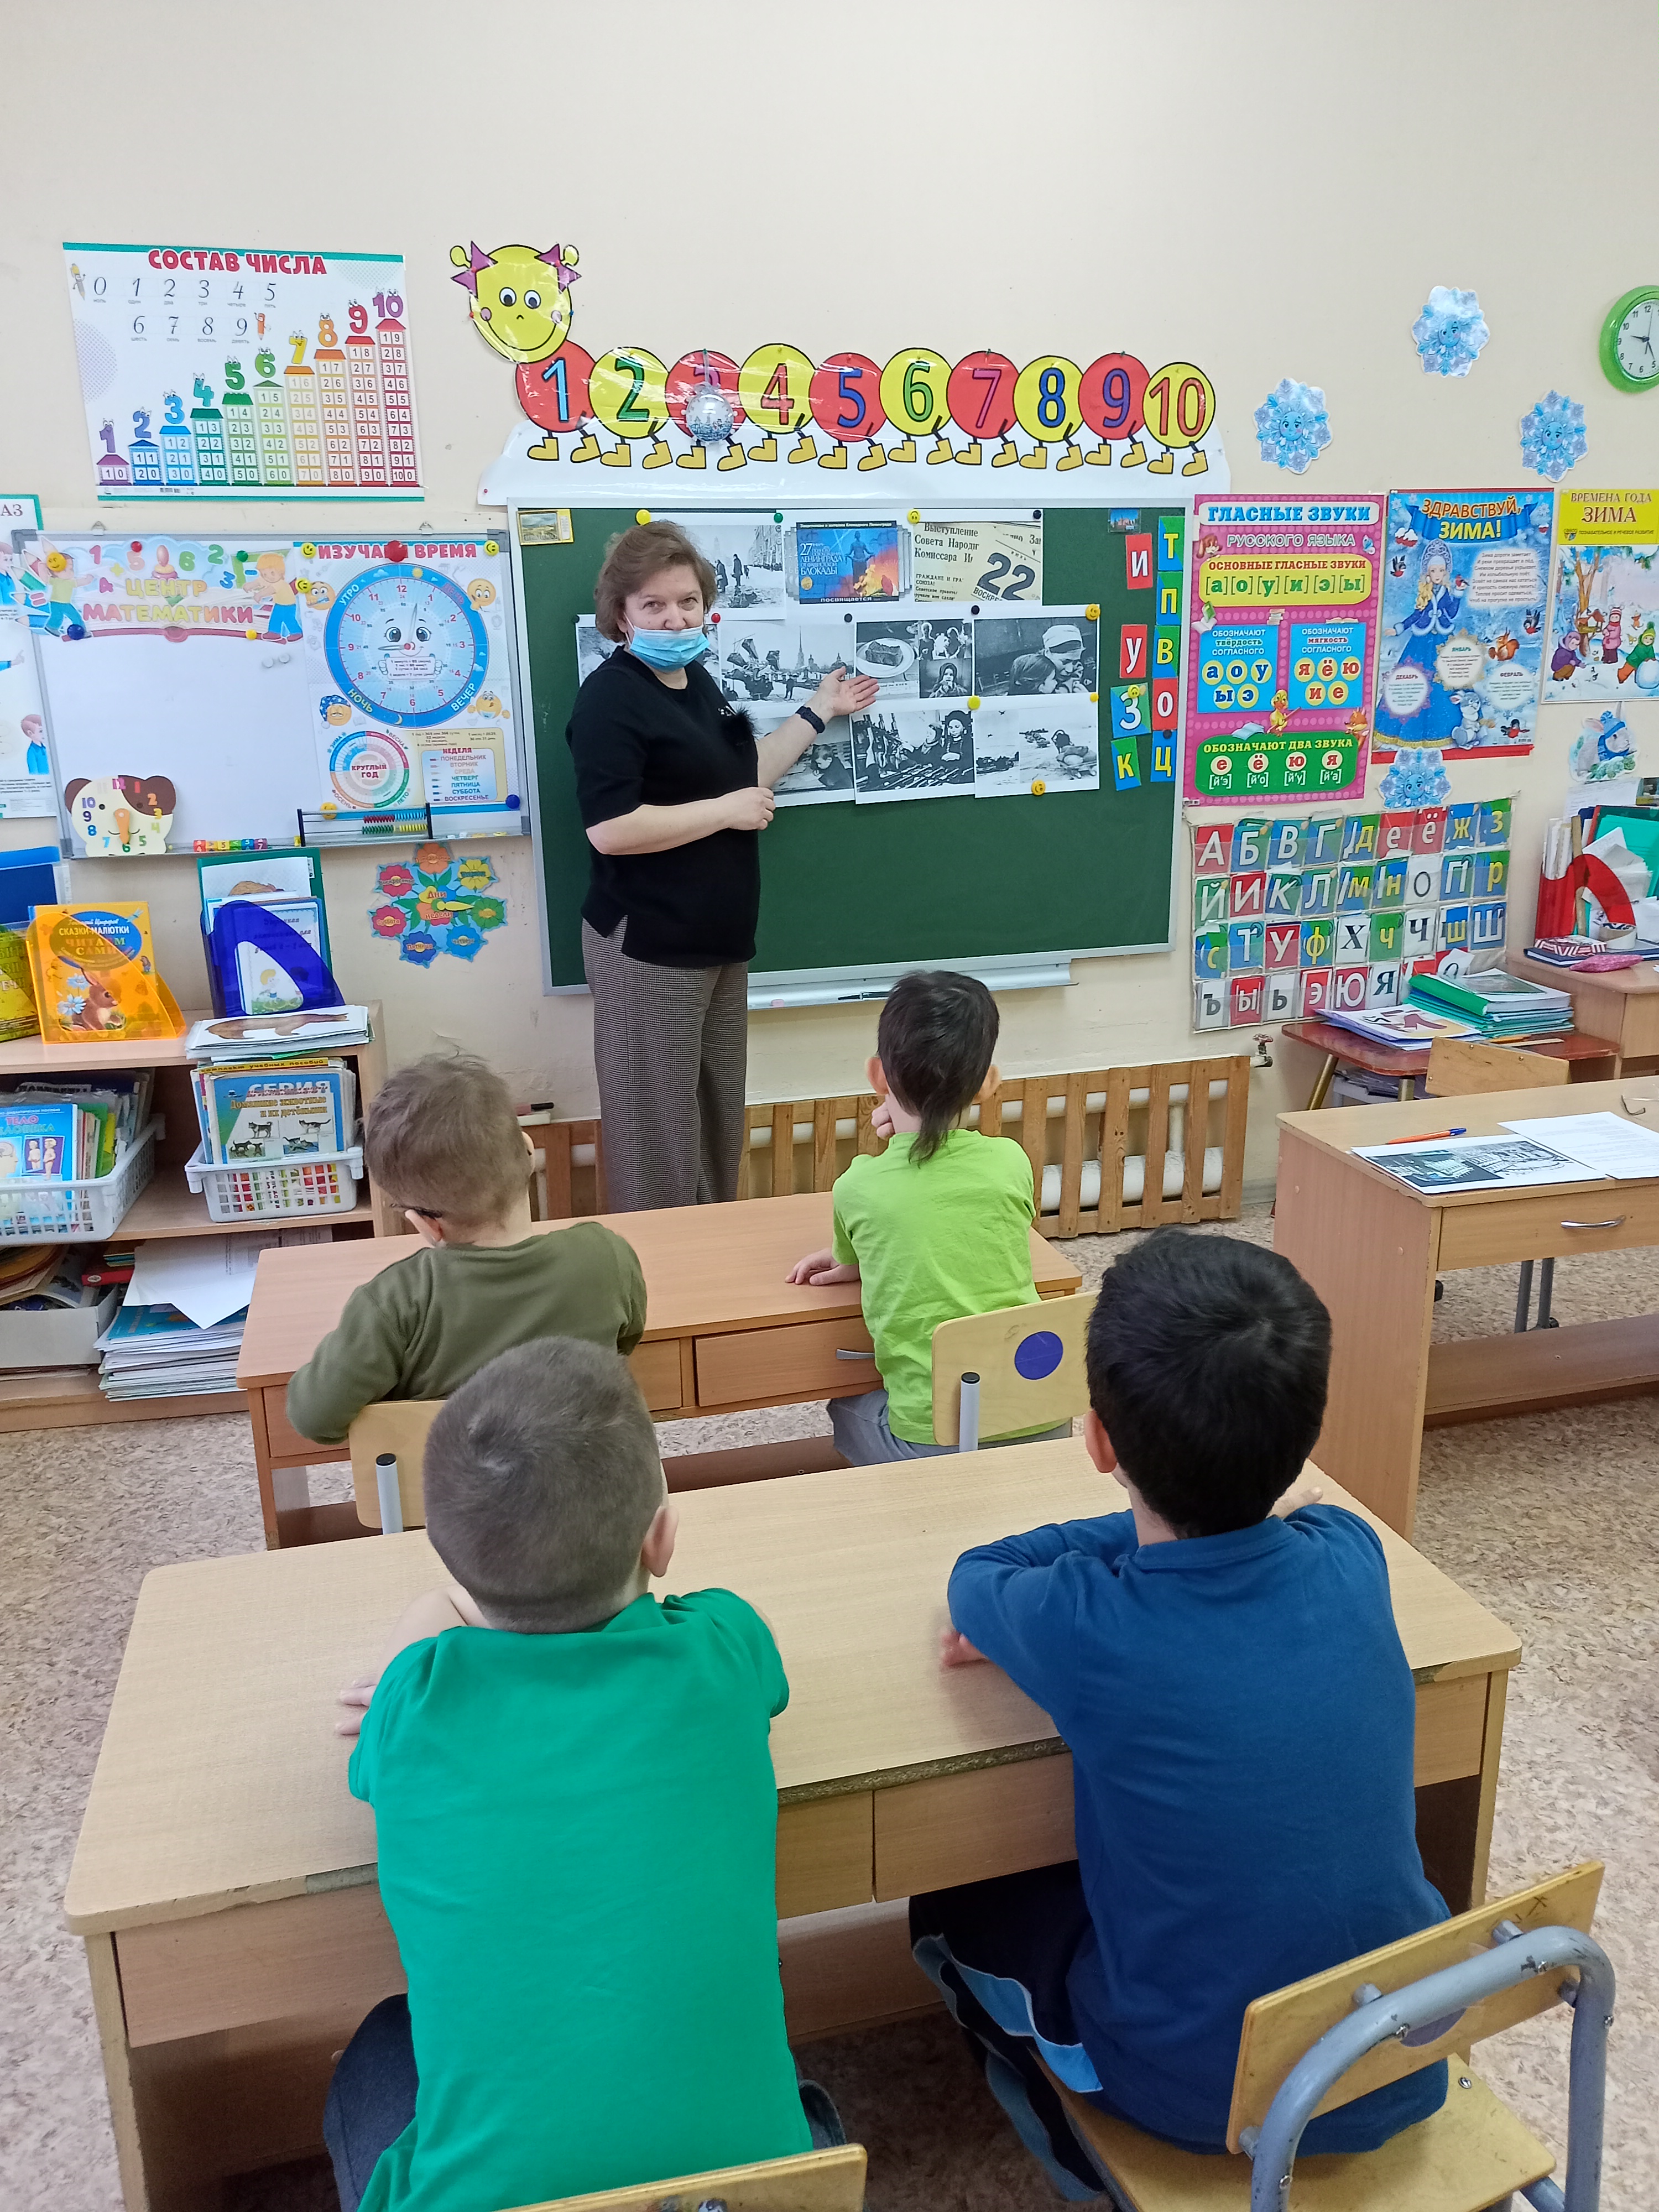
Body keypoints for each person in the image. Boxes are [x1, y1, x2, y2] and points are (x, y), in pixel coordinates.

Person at [909, 1231, 1449, 2194]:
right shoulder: (1352, 1554)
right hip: (1402, 2054)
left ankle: (1075, 2148)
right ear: (1304, 1439)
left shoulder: (1092, 1622)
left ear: (1098, 1442)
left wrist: (1134, 1521)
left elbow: (978, 1577)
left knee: (947, 1903)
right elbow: (1300, 1515)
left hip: (1197, 2097)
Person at [324, 1337, 841, 2212]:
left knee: (379, 2044)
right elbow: (753, 1657)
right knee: (793, 2099)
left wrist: (441, 1606)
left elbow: (408, 1667)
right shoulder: (722, 1650)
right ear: (662, 1538)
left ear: (451, 1557)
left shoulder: (416, 1701)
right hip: (739, 2200)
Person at [567, 522, 877, 1212]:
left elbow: (745, 775)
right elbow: (611, 830)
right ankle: (657, 1274)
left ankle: (707, 1262)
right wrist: (724, 812)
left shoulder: (700, 681)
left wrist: (817, 712)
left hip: (719, 944)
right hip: (650, 946)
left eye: (687, 602)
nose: (675, 618)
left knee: (714, 1129)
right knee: (656, 1139)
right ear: (621, 614)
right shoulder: (610, 698)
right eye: (653, 605)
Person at [285, 1055, 644, 1444]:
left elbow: (314, 1419)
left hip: (456, 1484)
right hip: (592, 1478)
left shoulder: (394, 1303)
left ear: (426, 1223)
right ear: (528, 1151)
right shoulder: (607, 1256)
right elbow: (625, 1343)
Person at [787, 970, 1064, 1465]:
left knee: (845, 1404)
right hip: (1044, 1418)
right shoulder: (1011, 1162)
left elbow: (856, 1258)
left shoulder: (858, 1187)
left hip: (932, 1442)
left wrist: (852, 1257)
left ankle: (913, 1502)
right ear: (987, 1083)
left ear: (877, 1076)